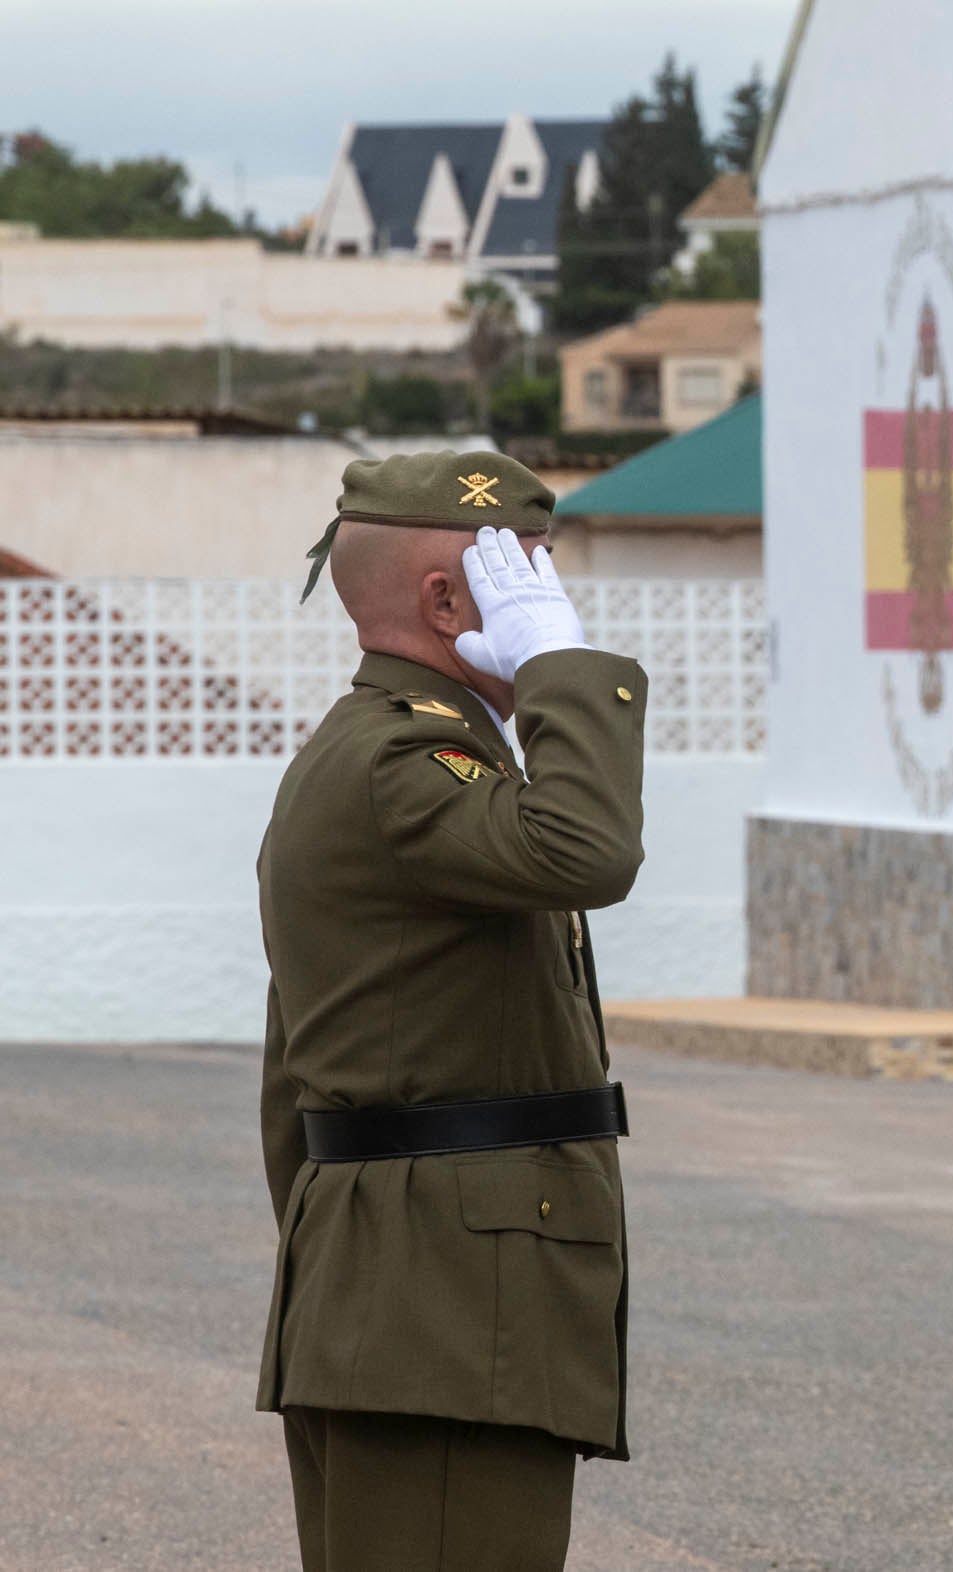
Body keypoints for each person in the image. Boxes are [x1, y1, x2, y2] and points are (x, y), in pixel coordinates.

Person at [256, 451, 648, 1571]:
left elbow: (296, 1081)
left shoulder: (392, 754)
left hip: (403, 1296)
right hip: (445, 1310)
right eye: (528, 578)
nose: (550, 606)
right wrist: (563, 667)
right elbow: (589, 849)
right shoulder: (405, 760)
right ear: (445, 602)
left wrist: (344, 1259)